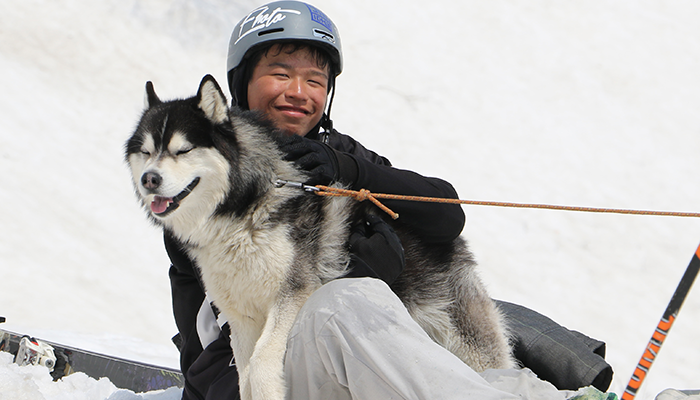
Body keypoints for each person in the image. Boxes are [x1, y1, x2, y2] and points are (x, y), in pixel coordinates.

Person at [165, 2, 613, 399]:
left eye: (314, 79)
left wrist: (351, 171)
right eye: (280, 73)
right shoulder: (204, 187)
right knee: (343, 302)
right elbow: (204, 348)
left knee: (450, 272)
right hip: (269, 377)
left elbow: (445, 216)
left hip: (374, 360)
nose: (298, 92)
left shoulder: (340, 157)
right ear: (242, 83)